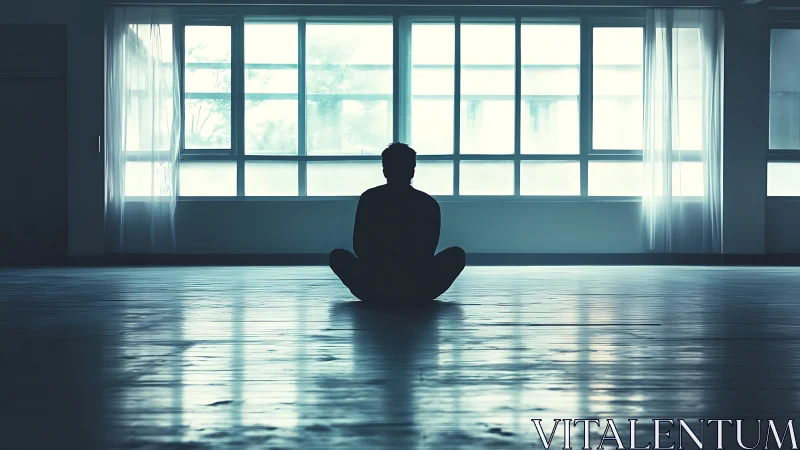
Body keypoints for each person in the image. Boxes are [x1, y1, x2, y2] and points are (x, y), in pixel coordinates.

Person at [329, 143, 466, 305]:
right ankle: (410, 296)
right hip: (418, 286)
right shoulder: (428, 203)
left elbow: (359, 246)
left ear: (385, 170)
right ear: (412, 171)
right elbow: (428, 250)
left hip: (374, 285)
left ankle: (383, 296)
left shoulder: (370, 198)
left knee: (337, 256)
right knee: (456, 254)